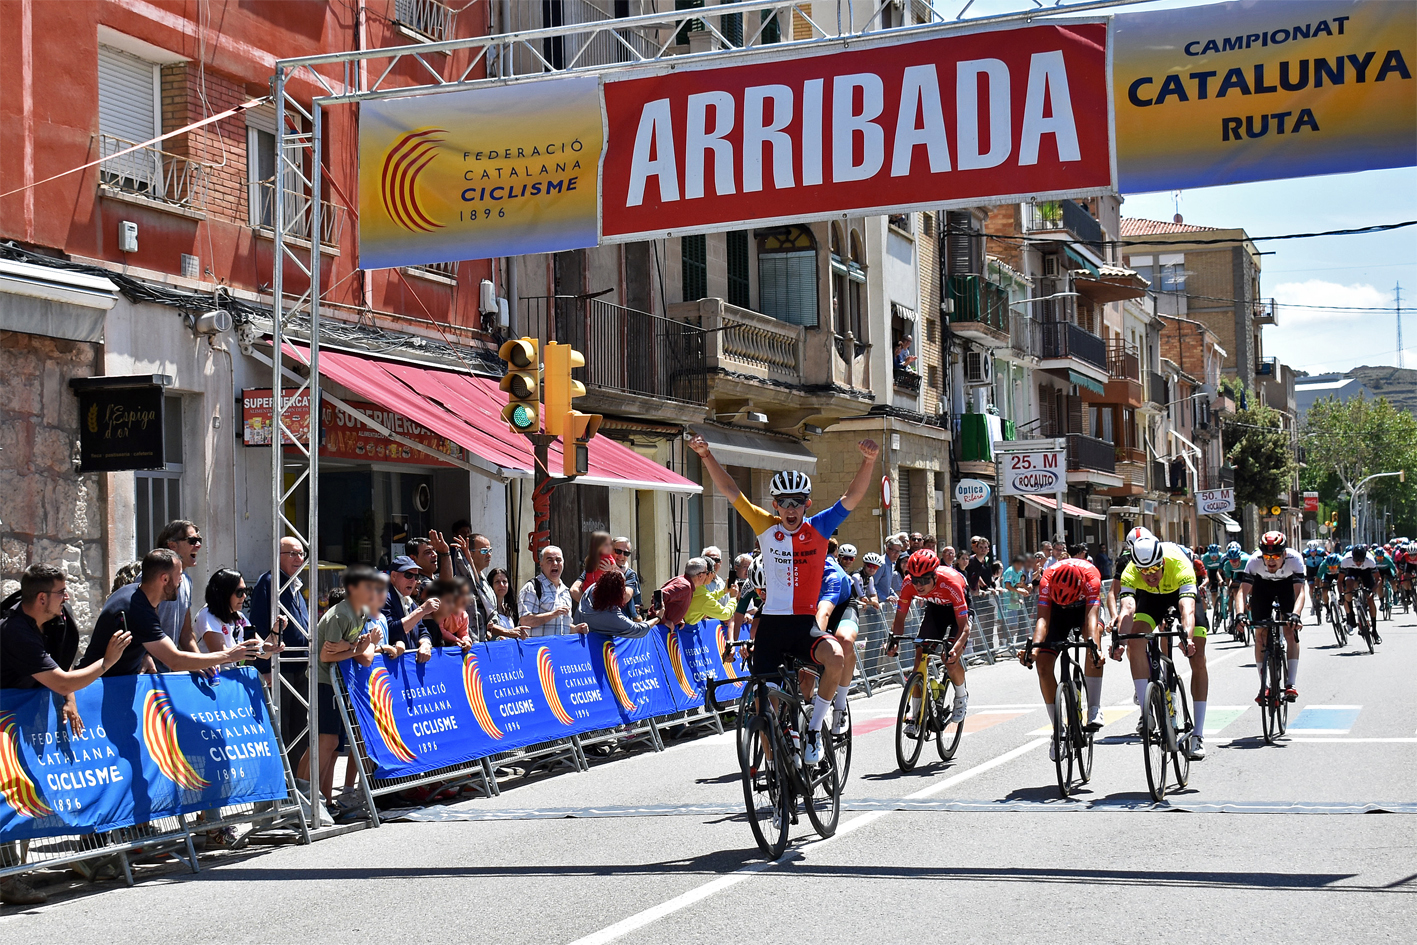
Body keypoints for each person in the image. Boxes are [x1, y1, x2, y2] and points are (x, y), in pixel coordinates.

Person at [689, 432, 880, 766]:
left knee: (836, 655)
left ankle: (813, 730)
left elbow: (851, 497)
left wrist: (868, 462)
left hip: (804, 625)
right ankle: (777, 771)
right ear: (775, 505)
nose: (791, 509)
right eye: (784, 502)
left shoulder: (819, 528)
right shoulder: (765, 526)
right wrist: (706, 456)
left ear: (807, 504)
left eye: (798, 502)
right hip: (773, 627)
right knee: (765, 707)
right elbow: (732, 491)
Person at [0, 565, 132, 906]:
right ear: (41, 597)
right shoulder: (15, 631)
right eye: (61, 592)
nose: (67, 597)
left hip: (21, 718)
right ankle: (8, 877)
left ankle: (18, 872)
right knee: (8, 796)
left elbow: (62, 670)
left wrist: (70, 701)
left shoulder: (57, 622)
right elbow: (59, 680)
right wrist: (106, 662)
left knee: (28, 790)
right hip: (5, 719)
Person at [1110, 529, 1208, 760]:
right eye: (1144, 571)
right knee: (1136, 639)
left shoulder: (1179, 563)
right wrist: (1120, 641)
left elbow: (1188, 608)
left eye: (1154, 568)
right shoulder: (1131, 571)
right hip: (1151, 599)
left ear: (1162, 561)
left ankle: (1198, 735)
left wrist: (1188, 637)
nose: (1150, 574)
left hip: (1180, 595)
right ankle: (1147, 710)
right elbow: (1127, 609)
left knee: (1198, 659)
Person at [81, 550, 259, 677]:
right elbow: (174, 660)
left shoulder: (135, 595)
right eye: (179, 575)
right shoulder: (137, 608)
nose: (181, 580)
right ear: (164, 579)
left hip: (115, 682)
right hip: (100, 686)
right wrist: (230, 655)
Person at [302, 565, 384, 804]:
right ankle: (307, 797)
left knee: (334, 745)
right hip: (323, 681)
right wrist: (356, 648)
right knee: (326, 741)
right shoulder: (341, 614)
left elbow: (361, 653)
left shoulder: (360, 613)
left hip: (337, 683)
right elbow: (327, 656)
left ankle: (324, 800)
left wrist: (351, 648)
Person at [1019, 555, 1106, 759]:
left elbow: (1092, 618)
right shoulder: (1047, 580)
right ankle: (1058, 729)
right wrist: (1034, 650)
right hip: (1056, 613)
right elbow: (1042, 620)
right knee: (1042, 664)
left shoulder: (1091, 577)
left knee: (1093, 642)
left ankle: (1094, 708)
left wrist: (1095, 649)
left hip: (1084, 610)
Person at [887, 550, 971, 734]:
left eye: (925, 580)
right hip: (936, 610)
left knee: (949, 659)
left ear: (935, 575)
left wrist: (955, 649)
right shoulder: (909, 584)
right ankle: (916, 716)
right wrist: (894, 640)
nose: (919, 585)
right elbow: (900, 618)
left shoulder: (950, 584)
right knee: (920, 654)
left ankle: (961, 696)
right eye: (915, 580)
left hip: (959, 611)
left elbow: (964, 627)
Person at [249, 537, 312, 754]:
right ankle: (286, 783)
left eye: (301, 554)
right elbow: (256, 625)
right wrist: (265, 669)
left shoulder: (296, 585)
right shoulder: (268, 583)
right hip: (279, 668)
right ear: (278, 556)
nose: (299, 559)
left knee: (299, 729)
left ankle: (297, 781)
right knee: (282, 728)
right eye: (292, 554)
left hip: (300, 667)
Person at [1235, 531, 1308, 706]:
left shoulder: (1295, 560)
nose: (1270, 560)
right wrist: (1240, 614)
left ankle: (1291, 683)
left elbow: (1300, 593)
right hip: (1263, 588)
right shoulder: (1254, 561)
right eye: (1266, 556)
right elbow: (1241, 592)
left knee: (1289, 631)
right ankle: (1264, 686)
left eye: (1275, 556)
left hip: (1286, 587)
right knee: (1260, 634)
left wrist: (1296, 615)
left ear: (1284, 554)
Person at [195, 569, 284, 670]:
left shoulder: (239, 617)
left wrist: (275, 632)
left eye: (245, 591)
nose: (244, 596)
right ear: (224, 593)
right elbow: (222, 655)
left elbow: (264, 654)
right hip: (215, 679)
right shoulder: (207, 615)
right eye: (239, 592)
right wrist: (257, 648)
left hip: (234, 678)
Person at [814, 541, 861, 699]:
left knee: (845, 641)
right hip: (817, 607)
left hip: (841, 606)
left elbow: (825, 613)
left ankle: (840, 702)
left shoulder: (832, 571)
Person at [152, 519, 203, 658]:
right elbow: (139, 625)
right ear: (173, 545)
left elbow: (185, 634)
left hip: (167, 669)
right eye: (192, 541)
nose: (198, 546)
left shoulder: (187, 581)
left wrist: (203, 662)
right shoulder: (151, 577)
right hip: (144, 671)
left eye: (200, 540)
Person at [577, 570, 664, 639]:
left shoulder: (590, 591)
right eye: (623, 587)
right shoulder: (612, 616)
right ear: (618, 594)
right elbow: (640, 629)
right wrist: (658, 618)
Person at [383, 556, 439, 662]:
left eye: (416, 576)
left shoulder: (410, 602)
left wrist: (425, 644)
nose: (413, 580)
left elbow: (422, 630)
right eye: (408, 575)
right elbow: (391, 631)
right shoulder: (384, 598)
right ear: (394, 576)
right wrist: (422, 610)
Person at [518, 545, 580, 636]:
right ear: (541, 564)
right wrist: (552, 614)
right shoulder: (532, 588)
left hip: (559, 648)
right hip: (540, 649)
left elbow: (562, 625)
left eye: (558, 560)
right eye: (550, 560)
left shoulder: (565, 591)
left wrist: (576, 629)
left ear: (563, 563)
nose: (555, 563)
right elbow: (525, 621)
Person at [1340, 544, 1382, 644]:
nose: (1358, 563)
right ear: (1352, 558)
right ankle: (1350, 616)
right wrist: (1341, 594)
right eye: (1356, 561)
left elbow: (1378, 579)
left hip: (1366, 572)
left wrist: (1372, 591)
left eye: (1360, 561)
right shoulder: (1346, 559)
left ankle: (1375, 631)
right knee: (1348, 588)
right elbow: (1339, 581)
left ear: (1364, 558)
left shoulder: (1370, 560)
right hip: (1351, 571)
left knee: (1370, 599)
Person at [426, 577, 474, 651]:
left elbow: (463, 634)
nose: (465, 597)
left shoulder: (464, 615)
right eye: (462, 594)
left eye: (467, 594)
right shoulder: (443, 610)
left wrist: (466, 641)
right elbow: (441, 630)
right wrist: (458, 640)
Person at [683, 557, 736, 625]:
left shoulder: (694, 587)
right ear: (708, 574)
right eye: (713, 572)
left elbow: (706, 597)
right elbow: (725, 615)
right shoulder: (704, 598)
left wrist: (723, 592)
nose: (714, 575)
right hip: (685, 631)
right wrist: (733, 598)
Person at [570, 531, 616, 606]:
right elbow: (574, 589)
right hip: (592, 591)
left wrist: (611, 570)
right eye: (606, 545)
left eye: (610, 545)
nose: (610, 547)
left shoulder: (601, 557)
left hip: (595, 591)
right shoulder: (596, 558)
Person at [484, 568, 529, 639]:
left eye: (504, 581)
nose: (501, 585)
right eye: (497, 582)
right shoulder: (487, 610)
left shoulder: (509, 609)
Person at [615, 538, 644, 618]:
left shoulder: (630, 574)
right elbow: (576, 590)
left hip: (623, 622)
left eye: (626, 553)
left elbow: (625, 597)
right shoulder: (598, 568)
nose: (621, 556)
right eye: (618, 551)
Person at [875, 539, 904, 604]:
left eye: (898, 552)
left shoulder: (892, 564)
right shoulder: (882, 564)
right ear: (887, 549)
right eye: (894, 551)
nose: (896, 554)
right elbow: (872, 585)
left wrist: (896, 597)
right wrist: (884, 598)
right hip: (876, 604)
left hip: (885, 604)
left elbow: (887, 586)